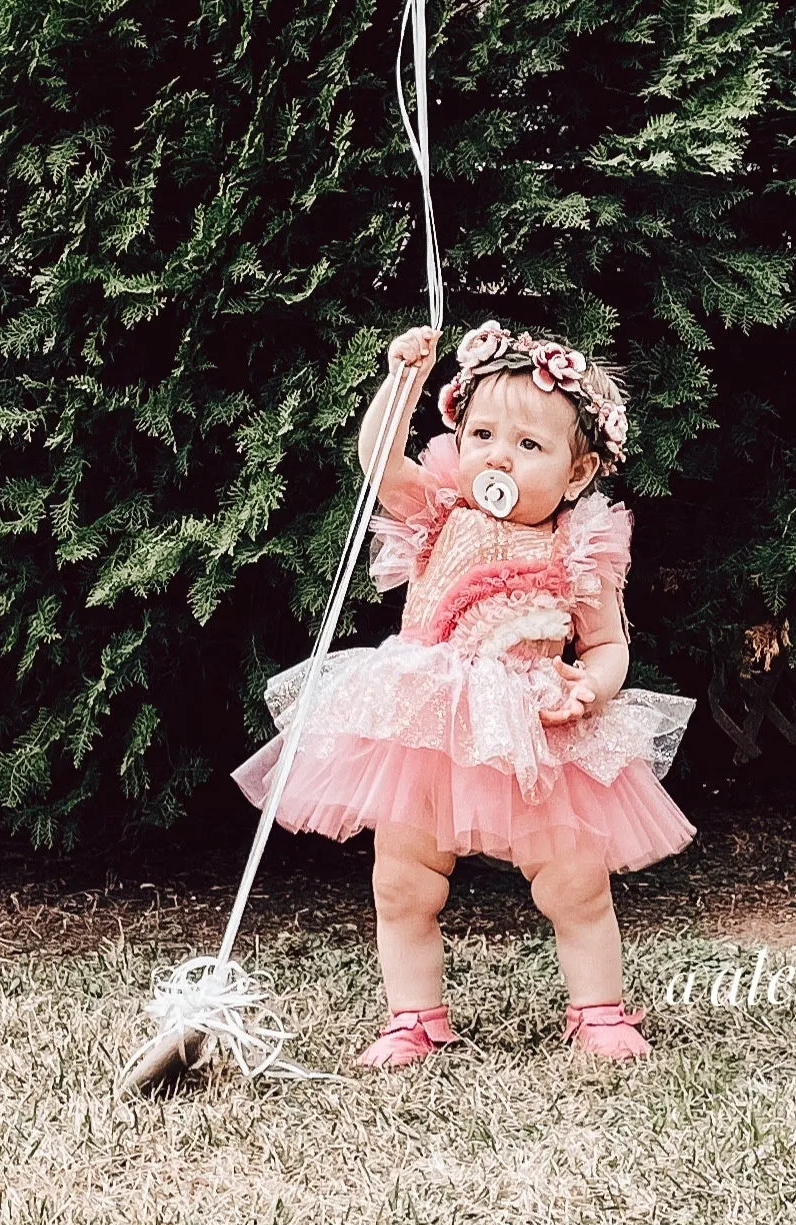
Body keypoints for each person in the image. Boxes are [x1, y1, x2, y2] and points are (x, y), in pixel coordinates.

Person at [232, 318, 695, 1065]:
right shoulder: (441, 512)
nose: (497, 457)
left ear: (576, 474)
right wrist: (400, 380)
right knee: (403, 881)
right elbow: (378, 461)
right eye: (482, 434)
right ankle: (414, 1017)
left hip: (535, 730)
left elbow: (608, 645)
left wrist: (593, 689)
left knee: (574, 882)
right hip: (428, 725)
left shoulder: (580, 548)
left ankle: (599, 1012)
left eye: (529, 445)